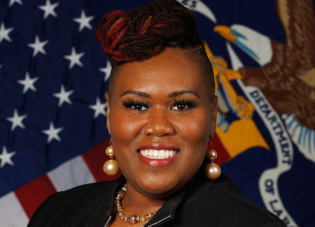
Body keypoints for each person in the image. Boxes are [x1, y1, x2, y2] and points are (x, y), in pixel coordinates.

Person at [27, 0, 287, 226]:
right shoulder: (57, 212)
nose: (159, 126)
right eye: (137, 106)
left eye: (181, 105)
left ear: (212, 117)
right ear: (109, 114)